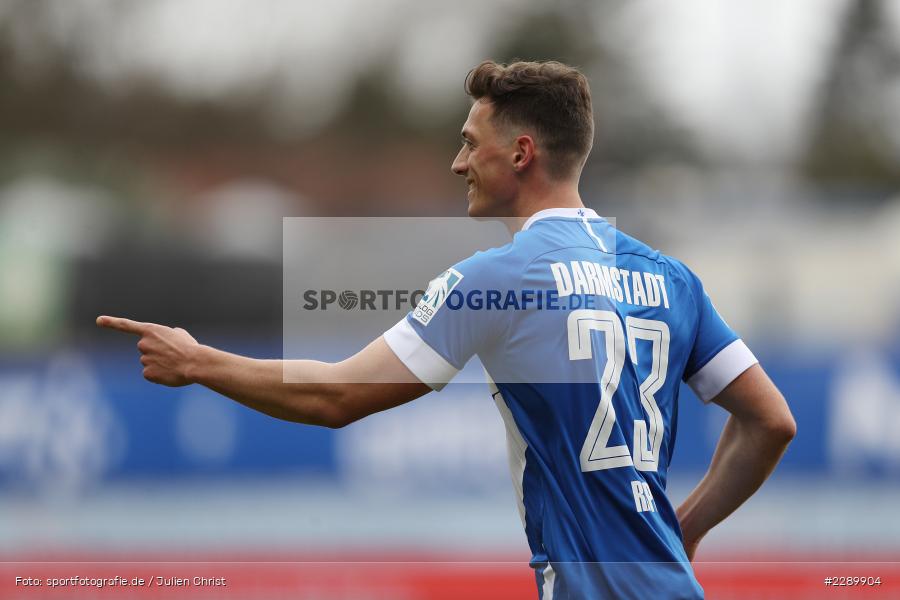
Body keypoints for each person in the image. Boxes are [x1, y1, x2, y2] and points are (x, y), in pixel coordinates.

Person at [98, 60, 796, 599]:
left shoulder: (497, 277)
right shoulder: (671, 278)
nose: (458, 163)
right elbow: (771, 423)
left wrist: (197, 362)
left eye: (469, 144)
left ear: (520, 153)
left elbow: (339, 396)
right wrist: (685, 529)